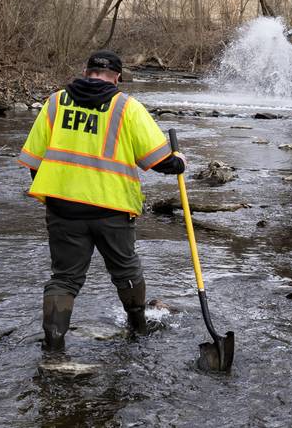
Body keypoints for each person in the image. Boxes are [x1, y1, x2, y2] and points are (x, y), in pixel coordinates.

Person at [17, 50, 185, 352]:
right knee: (126, 271)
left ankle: (53, 347)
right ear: (118, 77)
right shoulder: (127, 107)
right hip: (112, 208)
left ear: (85, 71)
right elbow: (158, 160)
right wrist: (179, 163)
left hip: (63, 208)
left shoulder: (55, 102)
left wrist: (55, 199)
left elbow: (33, 160)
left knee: (64, 279)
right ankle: (137, 328)